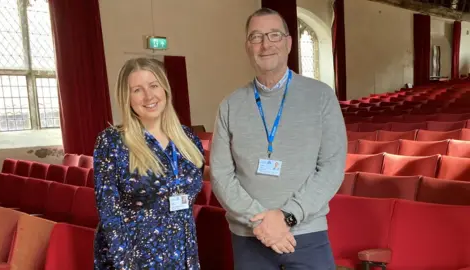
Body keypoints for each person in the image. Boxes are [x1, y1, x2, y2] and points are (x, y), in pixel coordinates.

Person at [210, 8, 347, 270]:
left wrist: (287, 216)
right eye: (256, 37)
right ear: (247, 46)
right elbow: (221, 174)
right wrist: (260, 221)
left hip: (307, 235)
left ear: (288, 42)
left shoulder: (321, 97)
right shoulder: (230, 105)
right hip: (249, 238)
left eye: (274, 35)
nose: (265, 44)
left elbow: (331, 167)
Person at [93, 57, 205, 270]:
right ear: (127, 98)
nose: (148, 96)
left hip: (182, 251)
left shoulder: (188, 138)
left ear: (165, 89)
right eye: (137, 90)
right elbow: (109, 211)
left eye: (154, 85)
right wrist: (124, 264)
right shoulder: (112, 141)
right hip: (134, 256)